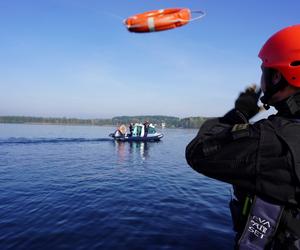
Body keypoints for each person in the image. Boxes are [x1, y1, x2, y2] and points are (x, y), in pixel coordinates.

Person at [186, 25, 300, 249]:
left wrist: (239, 114)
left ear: (278, 75)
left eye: (265, 70)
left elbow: (198, 151)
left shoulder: (273, 140)